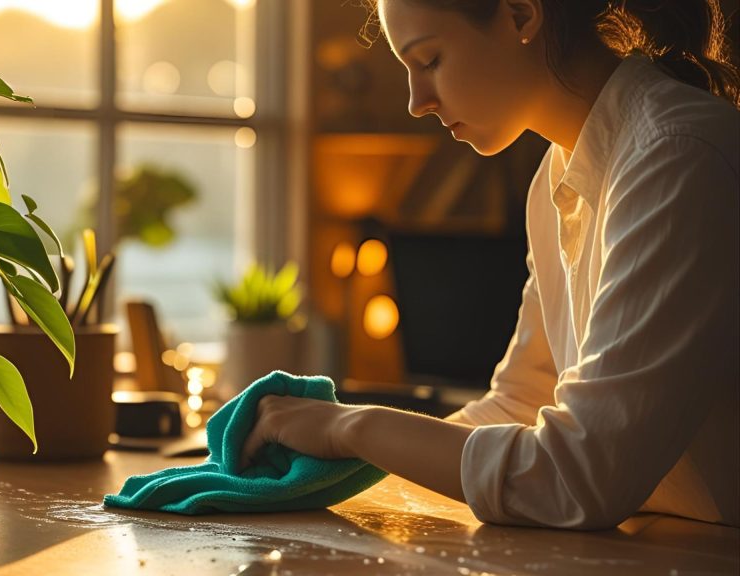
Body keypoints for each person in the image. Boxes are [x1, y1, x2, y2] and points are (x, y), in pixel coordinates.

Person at [240, 0, 739, 530]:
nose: (416, 103)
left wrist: (351, 428)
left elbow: (578, 478)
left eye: (429, 60)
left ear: (521, 16)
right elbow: (519, 404)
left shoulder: (679, 154)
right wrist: (331, 470)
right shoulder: (558, 179)